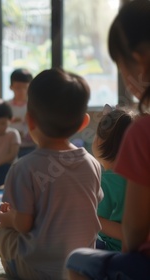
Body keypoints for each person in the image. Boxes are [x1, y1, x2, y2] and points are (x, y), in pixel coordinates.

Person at [0, 68, 103, 279]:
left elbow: (23, 225)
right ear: (83, 123)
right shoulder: (93, 164)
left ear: (30, 121)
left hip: (38, 271)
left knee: (0, 232)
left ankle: (16, 269)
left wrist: (7, 218)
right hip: (82, 267)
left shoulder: (23, 167)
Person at [67, 1, 150, 279]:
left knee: (75, 261)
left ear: (139, 60)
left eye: (121, 65)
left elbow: (135, 231)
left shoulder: (144, 132)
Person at [93, 106, 135, 251]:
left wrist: (89, 216)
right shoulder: (138, 177)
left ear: (100, 142)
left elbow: (98, 221)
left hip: (116, 251)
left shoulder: (107, 181)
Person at [7, 68, 35, 156]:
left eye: (25, 87)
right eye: (18, 87)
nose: (22, 91)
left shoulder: (35, 106)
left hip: (30, 147)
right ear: (11, 87)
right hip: (8, 147)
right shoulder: (5, 106)